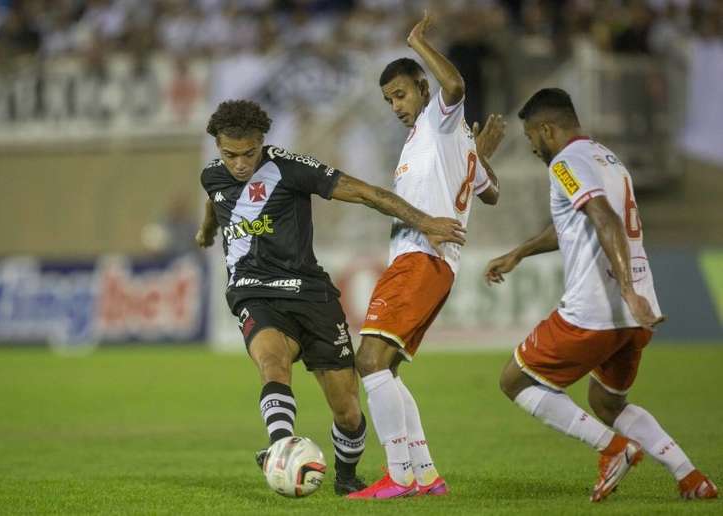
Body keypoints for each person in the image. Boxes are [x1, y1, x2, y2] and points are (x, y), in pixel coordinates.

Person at [196, 99, 466, 495]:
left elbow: (365, 193)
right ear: (219, 148)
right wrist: (207, 232)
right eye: (229, 155)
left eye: (248, 153)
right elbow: (214, 201)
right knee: (272, 364)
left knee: (348, 409)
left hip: (311, 295)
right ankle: (280, 449)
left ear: (262, 143)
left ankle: (345, 477)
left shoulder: (292, 168)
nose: (239, 163)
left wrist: (425, 222)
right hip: (253, 293)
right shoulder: (213, 176)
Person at [484, 88, 718, 502]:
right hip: (636, 314)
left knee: (514, 380)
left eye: (530, 137)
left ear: (546, 129)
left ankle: (612, 449)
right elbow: (577, 222)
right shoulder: (608, 160)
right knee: (607, 402)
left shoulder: (565, 165)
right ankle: (690, 476)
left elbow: (603, 216)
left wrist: (624, 289)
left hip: (597, 308)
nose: (532, 147)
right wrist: (519, 252)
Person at [347, 11, 504, 499]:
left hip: (421, 261)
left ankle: (399, 475)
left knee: (369, 361)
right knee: (385, 369)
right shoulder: (438, 142)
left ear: (421, 88)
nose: (395, 105)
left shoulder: (439, 119)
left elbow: (454, 84)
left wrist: (417, 42)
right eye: (388, 99)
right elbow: (490, 192)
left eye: (401, 94)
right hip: (426, 264)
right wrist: (478, 153)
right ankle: (426, 474)